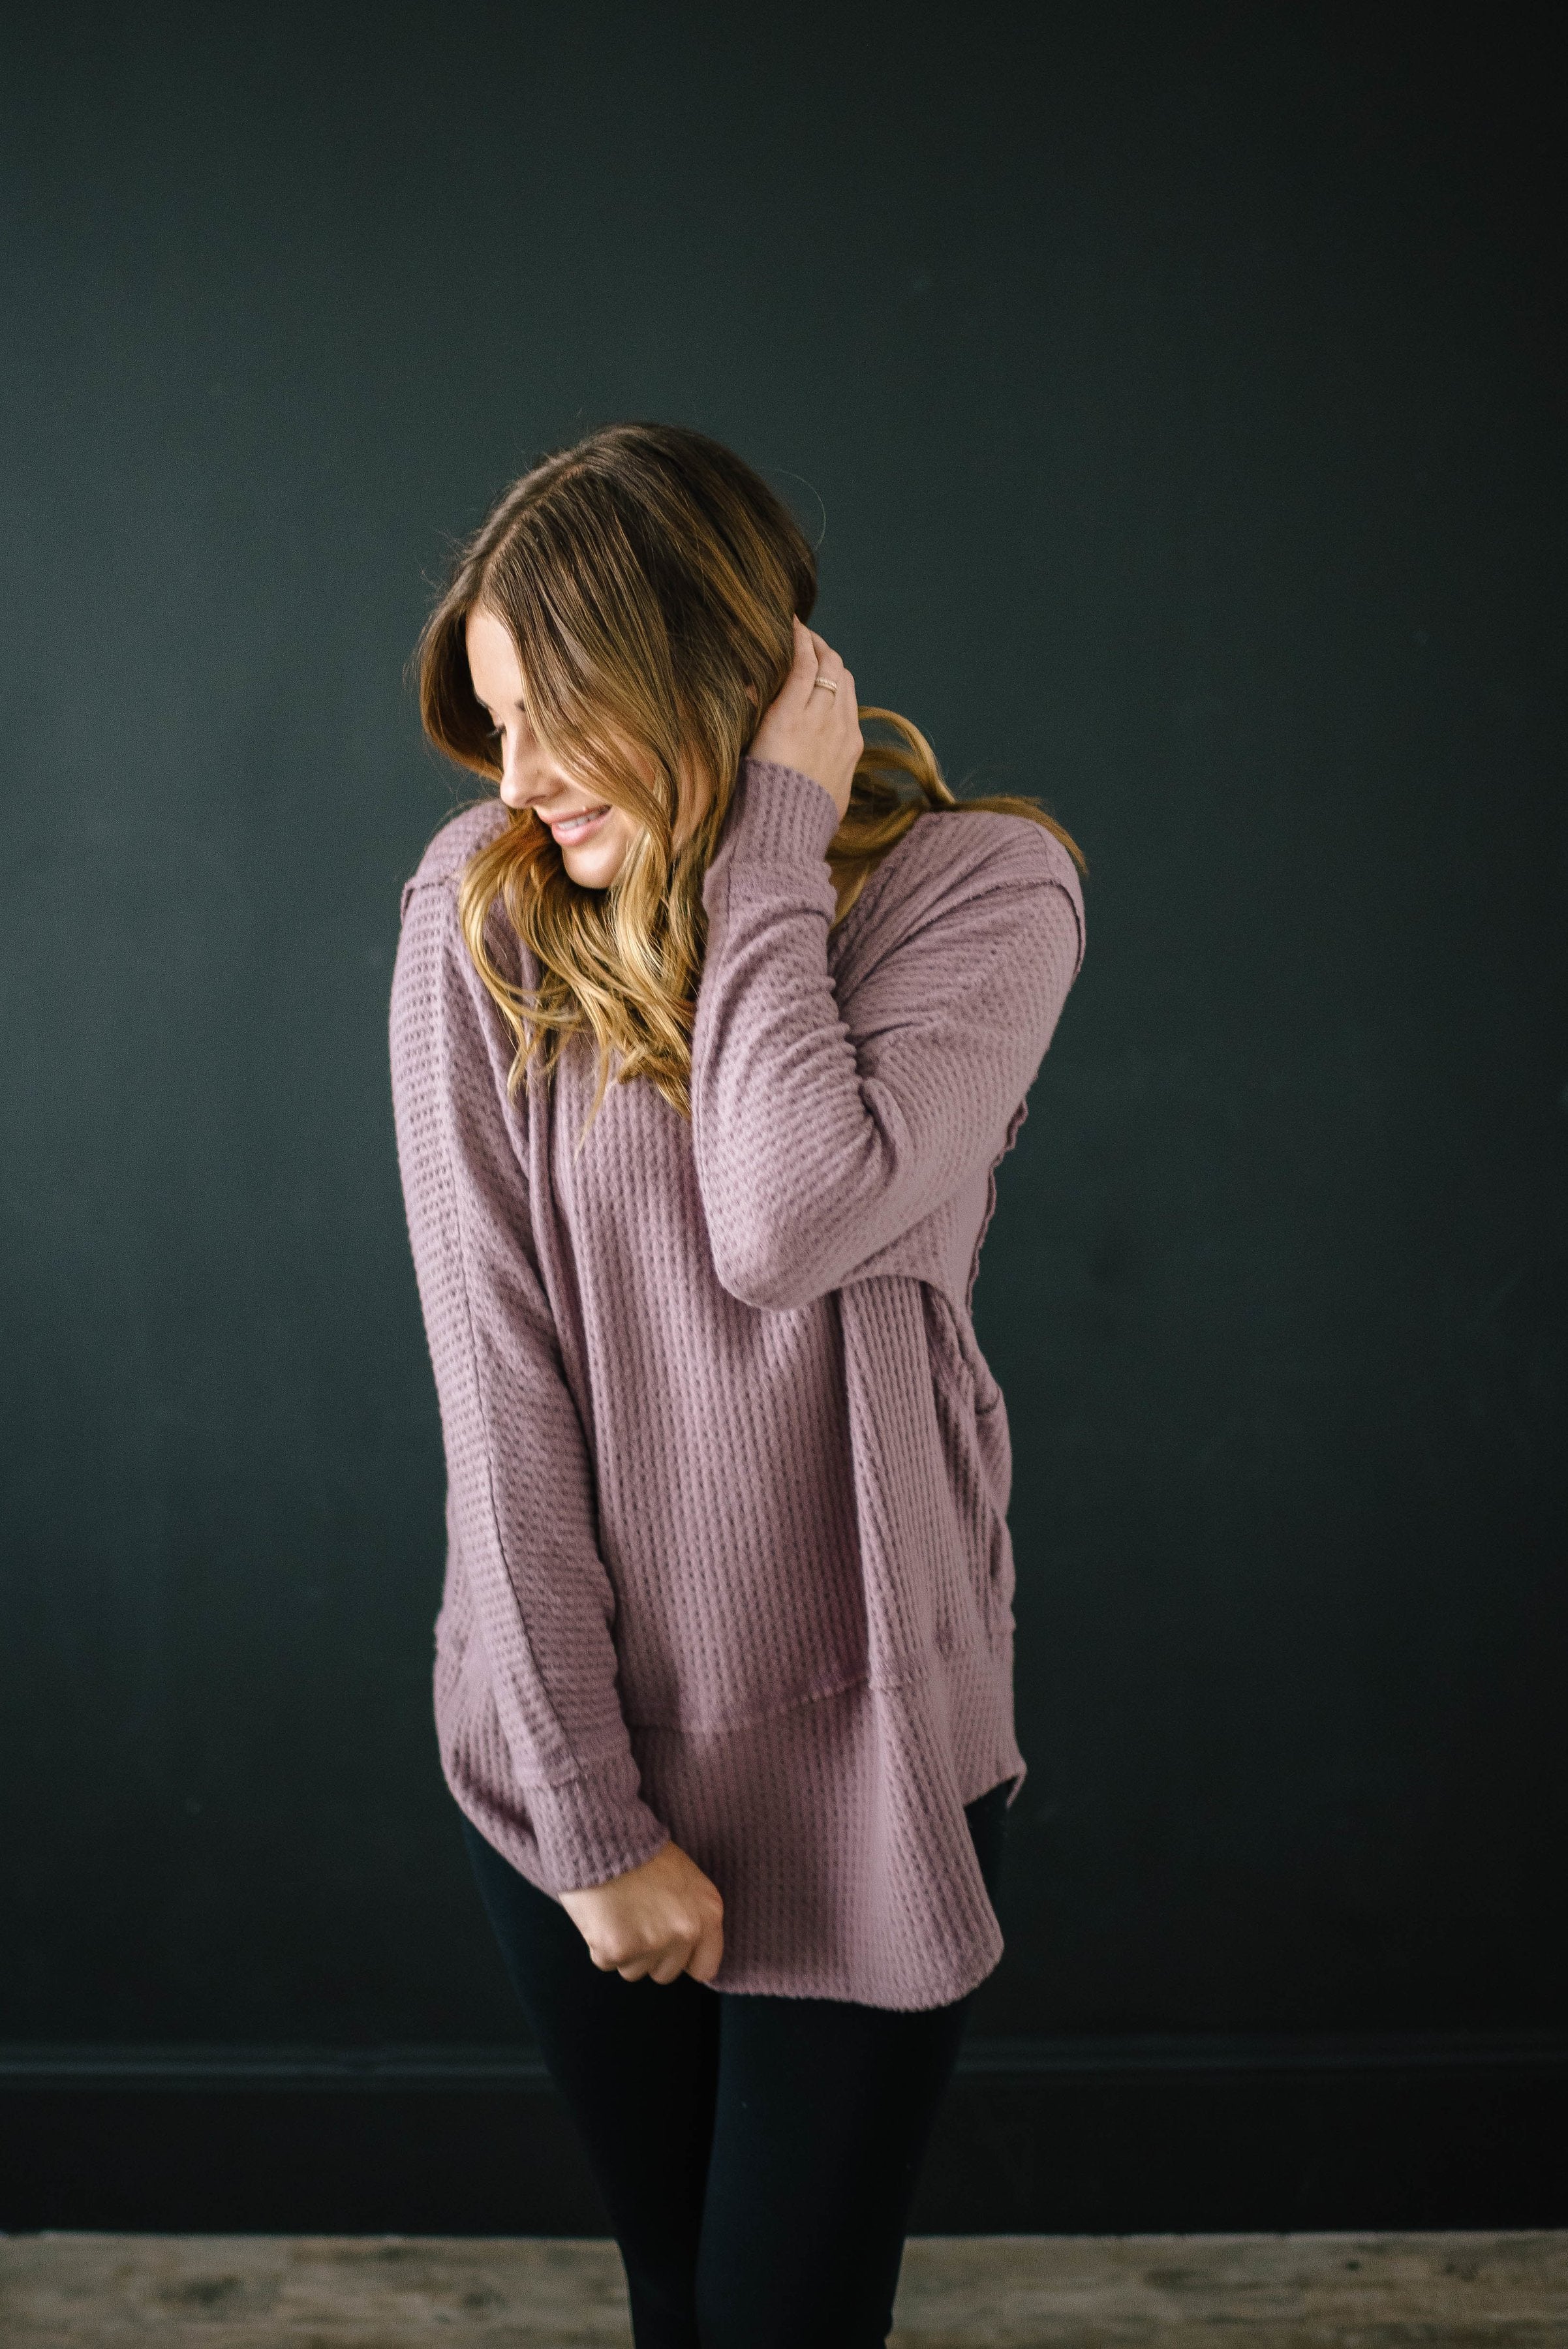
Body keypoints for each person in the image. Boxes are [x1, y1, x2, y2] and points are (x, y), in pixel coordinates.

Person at [388, 422, 1087, 2348]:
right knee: (681, 2290)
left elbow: (786, 1218)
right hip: (568, 1741)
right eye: (496, 719)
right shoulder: (484, 906)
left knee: (789, 2320)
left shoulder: (983, 893)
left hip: (867, 1751)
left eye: (557, 712)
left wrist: (774, 837)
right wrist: (591, 1818)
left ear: (719, 677)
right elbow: (493, 1382)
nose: (514, 779)